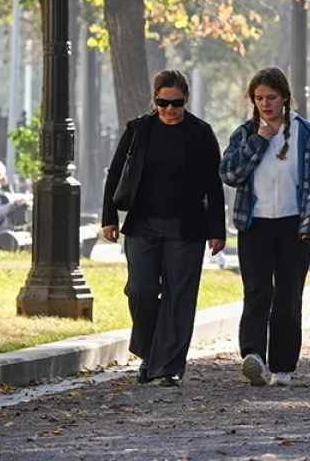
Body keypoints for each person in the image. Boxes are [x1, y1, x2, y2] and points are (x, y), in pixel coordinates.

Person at [101, 70, 227, 388]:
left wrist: (217, 229)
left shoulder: (201, 133)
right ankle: (149, 352)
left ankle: (167, 365)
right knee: (140, 288)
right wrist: (109, 217)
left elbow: (214, 184)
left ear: (186, 99)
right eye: (163, 102)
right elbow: (116, 172)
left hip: (187, 228)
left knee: (179, 297)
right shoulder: (138, 130)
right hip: (143, 224)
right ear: (154, 99)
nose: (170, 109)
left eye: (177, 103)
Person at [220, 67, 310, 388]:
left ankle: (282, 366)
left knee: (288, 295)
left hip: (295, 226)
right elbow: (229, 174)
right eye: (259, 98)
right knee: (257, 291)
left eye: (271, 97)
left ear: (284, 97)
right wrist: (259, 142)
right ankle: (253, 355)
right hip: (254, 225)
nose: (265, 104)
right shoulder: (244, 134)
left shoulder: (307, 135)